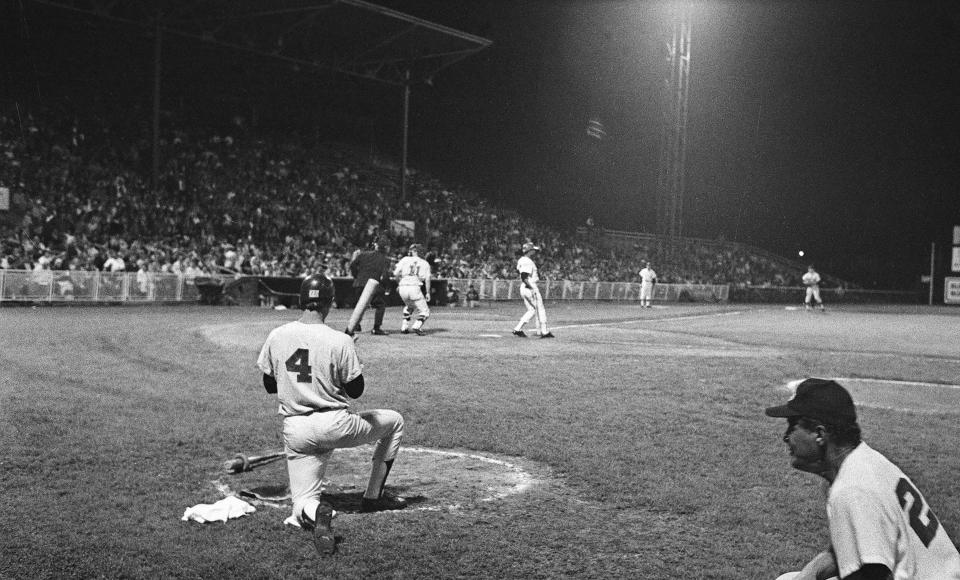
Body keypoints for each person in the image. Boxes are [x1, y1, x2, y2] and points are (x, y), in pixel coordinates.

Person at [256, 274, 407, 556]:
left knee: (302, 502)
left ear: (302, 301)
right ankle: (372, 497)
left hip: (296, 429)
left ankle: (315, 511)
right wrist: (348, 351)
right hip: (336, 425)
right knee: (394, 421)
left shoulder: (278, 334)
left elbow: (268, 385)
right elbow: (356, 390)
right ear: (329, 303)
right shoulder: (339, 340)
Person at [766, 378, 960, 580]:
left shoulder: (853, 490)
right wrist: (810, 573)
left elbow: (874, 574)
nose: (786, 437)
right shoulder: (863, 460)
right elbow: (853, 547)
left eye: (792, 426)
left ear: (819, 434)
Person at [345, 238, 392, 336]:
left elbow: (352, 265)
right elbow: (385, 275)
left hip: (359, 283)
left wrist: (357, 276)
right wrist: (387, 286)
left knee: (360, 305)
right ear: (386, 248)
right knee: (380, 305)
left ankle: (356, 326)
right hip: (372, 285)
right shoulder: (385, 259)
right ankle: (376, 328)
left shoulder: (364, 254)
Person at [512, 242, 554, 338]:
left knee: (531, 310)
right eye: (533, 250)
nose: (534, 251)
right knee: (540, 309)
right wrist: (531, 288)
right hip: (529, 286)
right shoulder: (527, 261)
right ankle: (544, 332)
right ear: (529, 251)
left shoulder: (522, 260)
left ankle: (517, 329)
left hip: (524, 287)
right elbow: (524, 276)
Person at [393, 243, 431, 336]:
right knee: (425, 312)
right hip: (414, 287)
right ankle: (417, 326)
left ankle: (404, 327)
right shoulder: (425, 263)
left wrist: (399, 284)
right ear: (420, 252)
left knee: (409, 307)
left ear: (413, 251)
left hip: (403, 287)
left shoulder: (405, 259)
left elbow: (395, 274)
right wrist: (428, 293)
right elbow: (428, 279)